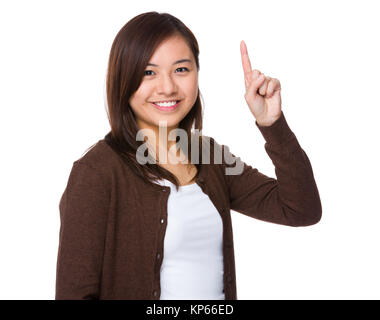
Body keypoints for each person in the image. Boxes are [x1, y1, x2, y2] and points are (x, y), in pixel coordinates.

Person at [55, 11, 322, 300]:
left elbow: (301, 209)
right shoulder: (97, 172)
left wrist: (272, 124)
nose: (167, 87)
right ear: (123, 80)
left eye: (181, 69)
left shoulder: (209, 156)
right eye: (148, 72)